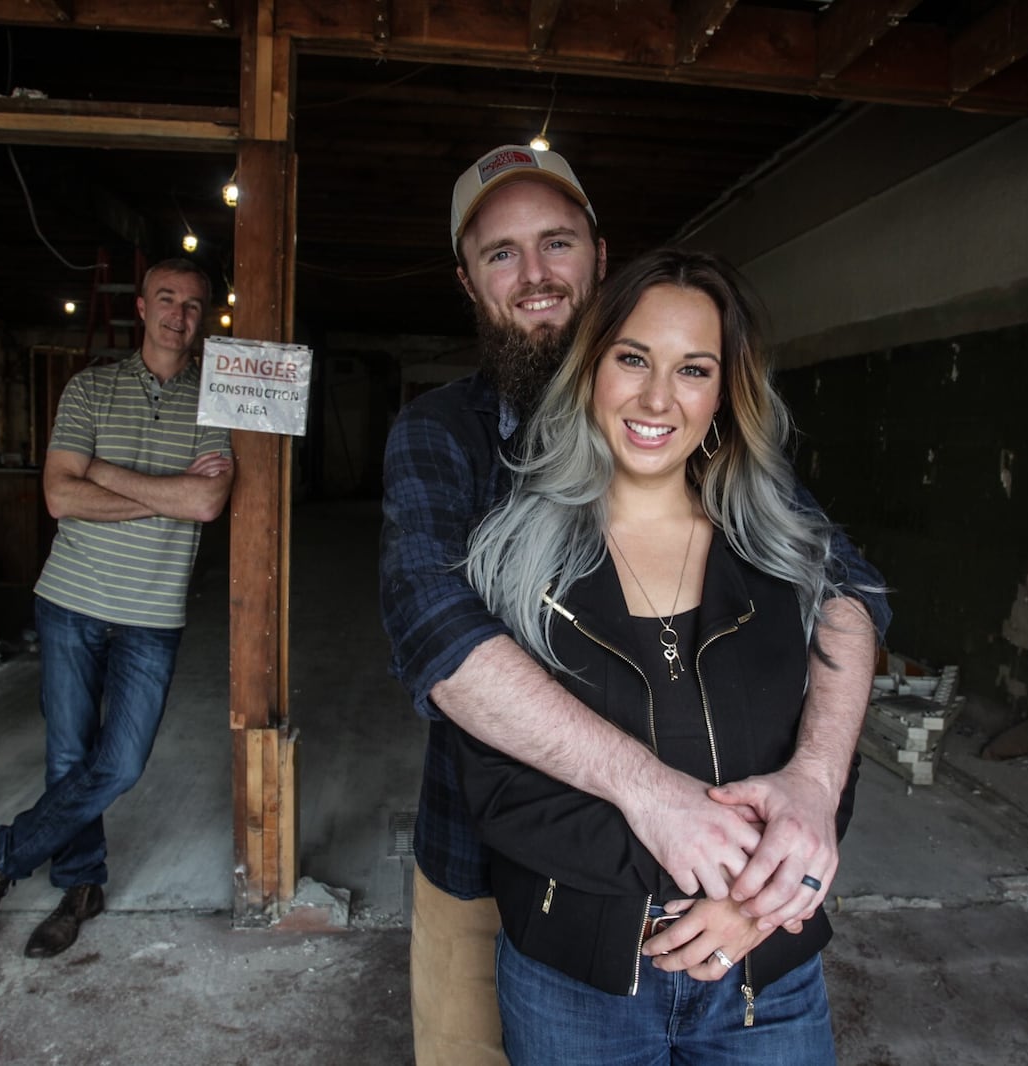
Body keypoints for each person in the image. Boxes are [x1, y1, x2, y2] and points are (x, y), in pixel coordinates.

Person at [380, 146, 887, 1065]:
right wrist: (665, 807)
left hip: (742, 926)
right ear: (467, 280)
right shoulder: (443, 437)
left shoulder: (734, 490)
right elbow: (438, 635)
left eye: (556, 243)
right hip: (494, 869)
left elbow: (845, 589)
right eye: (502, 255)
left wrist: (806, 793)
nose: (535, 276)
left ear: (599, 257)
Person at [457, 248, 855, 1063]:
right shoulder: (514, 562)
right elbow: (498, 794)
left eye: (693, 369)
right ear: (590, 370)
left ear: (723, 395)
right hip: (575, 984)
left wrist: (755, 905)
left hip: (765, 978)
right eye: (633, 358)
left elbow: (820, 772)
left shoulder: (783, 563)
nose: (656, 398)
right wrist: (683, 861)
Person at [0, 257, 234, 958]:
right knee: (70, 757)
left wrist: (102, 472)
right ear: (140, 308)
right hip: (70, 602)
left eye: (193, 305)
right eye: (166, 300)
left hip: (152, 613)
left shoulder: (216, 402)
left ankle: (3, 853)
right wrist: (163, 490)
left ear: (205, 318)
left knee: (119, 765)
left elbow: (205, 502)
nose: (179, 315)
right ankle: (81, 887)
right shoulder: (89, 389)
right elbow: (58, 496)